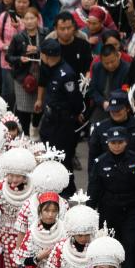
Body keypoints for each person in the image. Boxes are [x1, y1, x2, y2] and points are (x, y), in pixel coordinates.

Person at [88, 127, 135, 268]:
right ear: (107, 143)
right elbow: (94, 188)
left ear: (126, 142)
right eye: (113, 143)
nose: (117, 146)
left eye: (120, 142)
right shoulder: (100, 162)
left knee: (130, 244)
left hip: (131, 208)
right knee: (110, 243)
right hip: (108, 209)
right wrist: (89, 209)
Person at [37, 37, 84, 195]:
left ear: (46, 55)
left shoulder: (66, 74)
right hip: (50, 119)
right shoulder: (48, 67)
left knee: (63, 158)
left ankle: (68, 190)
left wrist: (76, 114)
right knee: (49, 152)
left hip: (63, 123)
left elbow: (75, 100)